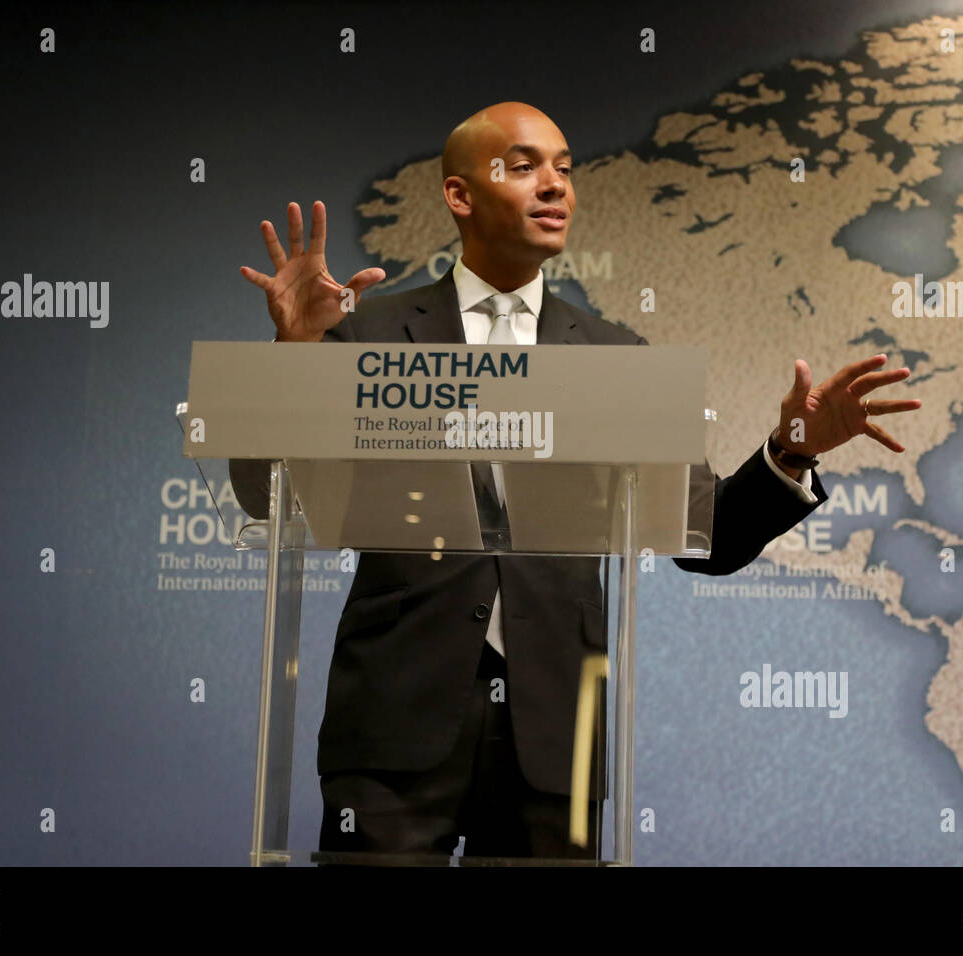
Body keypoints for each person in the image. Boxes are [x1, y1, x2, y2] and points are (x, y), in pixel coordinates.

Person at [233, 102, 920, 862]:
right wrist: (291, 358)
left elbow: (708, 538)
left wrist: (790, 451)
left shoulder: (615, 355)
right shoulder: (364, 334)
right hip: (393, 723)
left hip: (557, 735)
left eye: (564, 168)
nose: (555, 185)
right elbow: (267, 495)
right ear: (460, 194)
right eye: (524, 166)